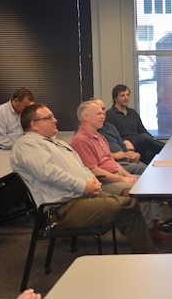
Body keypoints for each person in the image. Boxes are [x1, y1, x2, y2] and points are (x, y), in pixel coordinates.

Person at [10, 103, 156, 254]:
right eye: (49, 117)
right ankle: (148, 255)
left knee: (130, 206)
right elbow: (49, 173)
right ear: (34, 124)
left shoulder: (55, 143)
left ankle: (145, 254)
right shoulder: (27, 145)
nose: (55, 120)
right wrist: (84, 186)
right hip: (61, 208)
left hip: (81, 197)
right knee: (128, 205)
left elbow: (81, 167)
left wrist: (91, 181)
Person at [70, 101, 172, 244]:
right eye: (98, 113)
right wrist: (123, 180)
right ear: (86, 118)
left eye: (103, 112)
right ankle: (143, 238)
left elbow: (112, 163)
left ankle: (152, 229)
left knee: (152, 183)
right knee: (141, 189)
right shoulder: (81, 140)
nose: (102, 116)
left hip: (113, 175)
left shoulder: (99, 136)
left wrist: (127, 176)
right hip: (102, 183)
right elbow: (93, 170)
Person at [105, 84, 164, 165]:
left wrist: (151, 140)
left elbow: (142, 130)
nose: (126, 98)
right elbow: (112, 136)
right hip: (125, 146)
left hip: (140, 143)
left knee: (152, 155)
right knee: (143, 138)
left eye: (127, 95)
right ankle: (169, 149)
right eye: (122, 95)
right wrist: (124, 141)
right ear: (115, 98)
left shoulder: (132, 112)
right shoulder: (110, 114)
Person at [88, 97, 146, 175]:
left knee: (149, 167)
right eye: (98, 111)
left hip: (126, 160)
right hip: (114, 164)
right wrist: (114, 155)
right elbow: (96, 157)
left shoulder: (110, 127)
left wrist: (133, 155)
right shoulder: (89, 131)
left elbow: (122, 146)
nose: (102, 113)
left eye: (103, 109)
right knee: (146, 170)